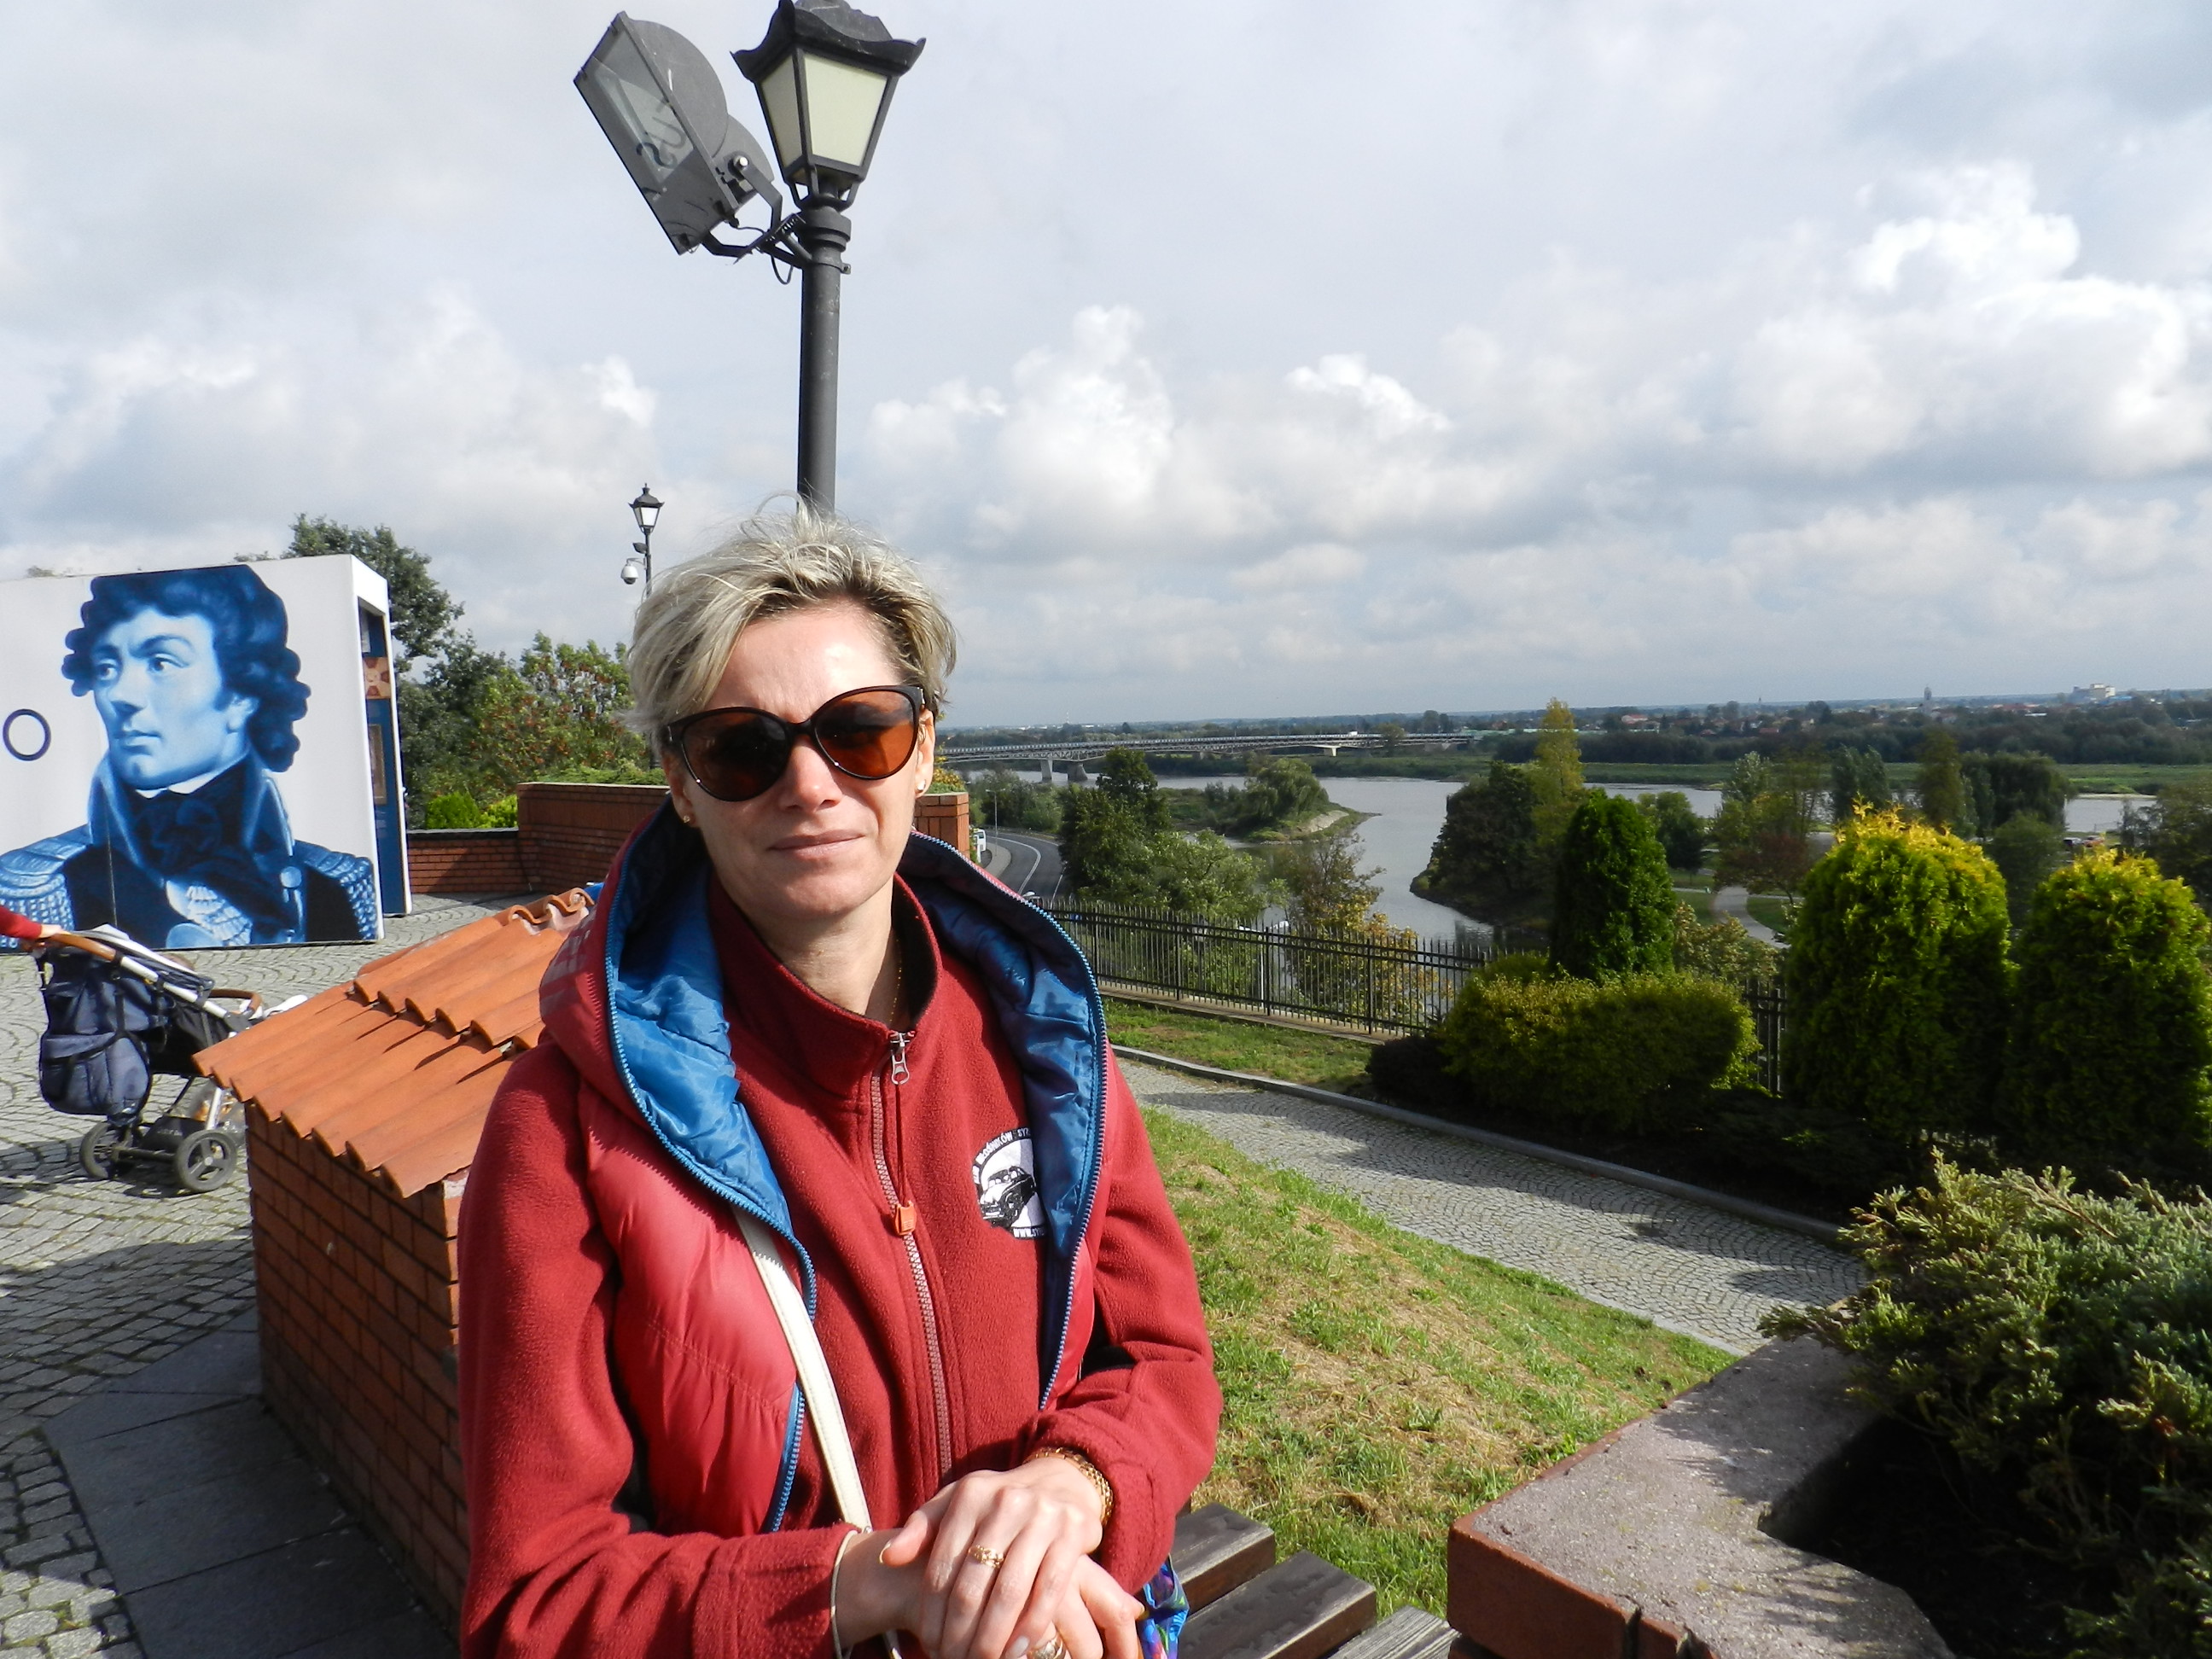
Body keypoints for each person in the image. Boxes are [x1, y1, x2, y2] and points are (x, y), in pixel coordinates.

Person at [457, 509, 1220, 1659]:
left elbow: (1162, 1361)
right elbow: (538, 1600)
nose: (810, 785)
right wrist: (869, 1584)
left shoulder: (1042, 1044)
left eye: (860, 731)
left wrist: (1074, 1485)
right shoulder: (567, 1129)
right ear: (680, 783)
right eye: (742, 749)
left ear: (924, 749)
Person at [0, 565, 375, 946]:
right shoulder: (27, 887)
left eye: (161, 663)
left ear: (242, 694)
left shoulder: (338, 882)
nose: (119, 694)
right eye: (107, 668)